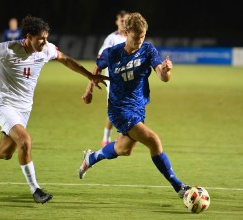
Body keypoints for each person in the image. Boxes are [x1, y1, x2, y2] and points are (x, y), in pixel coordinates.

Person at [0, 15, 109, 204]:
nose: (45, 42)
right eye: (41, 38)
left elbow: (66, 60)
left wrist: (90, 77)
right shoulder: (7, 49)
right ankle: (35, 189)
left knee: (5, 152)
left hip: (24, 110)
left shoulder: (46, 49)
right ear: (28, 37)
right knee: (25, 142)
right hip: (4, 105)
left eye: (46, 37)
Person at [78, 12, 190, 199]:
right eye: (136, 36)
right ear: (127, 32)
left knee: (124, 149)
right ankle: (179, 187)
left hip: (138, 108)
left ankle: (91, 158)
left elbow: (162, 76)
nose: (139, 40)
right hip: (119, 110)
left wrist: (167, 70)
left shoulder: (148, 50)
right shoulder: (112, 53)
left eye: (143, 36)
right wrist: (88, 89)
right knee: (154, 140)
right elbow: (97, 68)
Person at [82, 10, 128, 147]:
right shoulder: (111, 39)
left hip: (129, 81)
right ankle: (107, 138)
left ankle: (121, 136)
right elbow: (99, 63)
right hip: (113, 82)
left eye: (127, 21)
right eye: (122, 21)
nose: (124, 24)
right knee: (115, 109)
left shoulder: (132, 37)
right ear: (117, 22)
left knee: (127, 109)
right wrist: (89, 89)